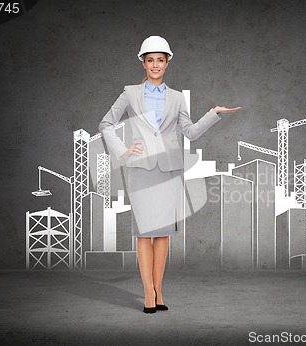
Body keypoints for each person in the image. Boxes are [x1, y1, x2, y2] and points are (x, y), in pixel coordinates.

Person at [98, 35, 241, 314]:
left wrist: (214, 113)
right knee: (143, 235)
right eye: (150, 60)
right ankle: (148, 294)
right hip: (140, 169)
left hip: (168, 172)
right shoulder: (130, 93)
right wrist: (124, 150)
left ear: (167, 63)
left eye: (160, 60)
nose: (155, 65)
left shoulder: (176, 98)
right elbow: (105, 124)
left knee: (162, 235)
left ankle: (159, 291)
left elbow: (190, 133)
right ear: (143, 62)